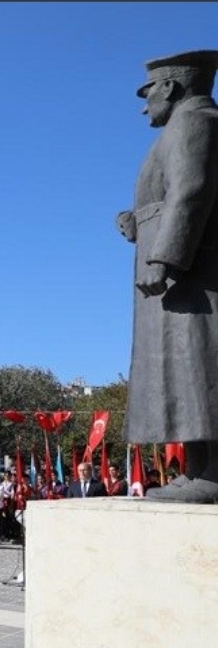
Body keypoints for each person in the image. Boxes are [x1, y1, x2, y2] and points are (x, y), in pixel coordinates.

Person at [116, 50, 218, 503]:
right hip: (179, 271)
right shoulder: (180, 128)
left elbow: (192, 191)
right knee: (183, 372)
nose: (143, 105)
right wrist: (139, 223)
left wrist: (165, 257)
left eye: (147, 92)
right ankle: (198, 468)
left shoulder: (196, 122)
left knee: (201, 363)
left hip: (194, 273)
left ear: (170, 87)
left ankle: (213, 473)